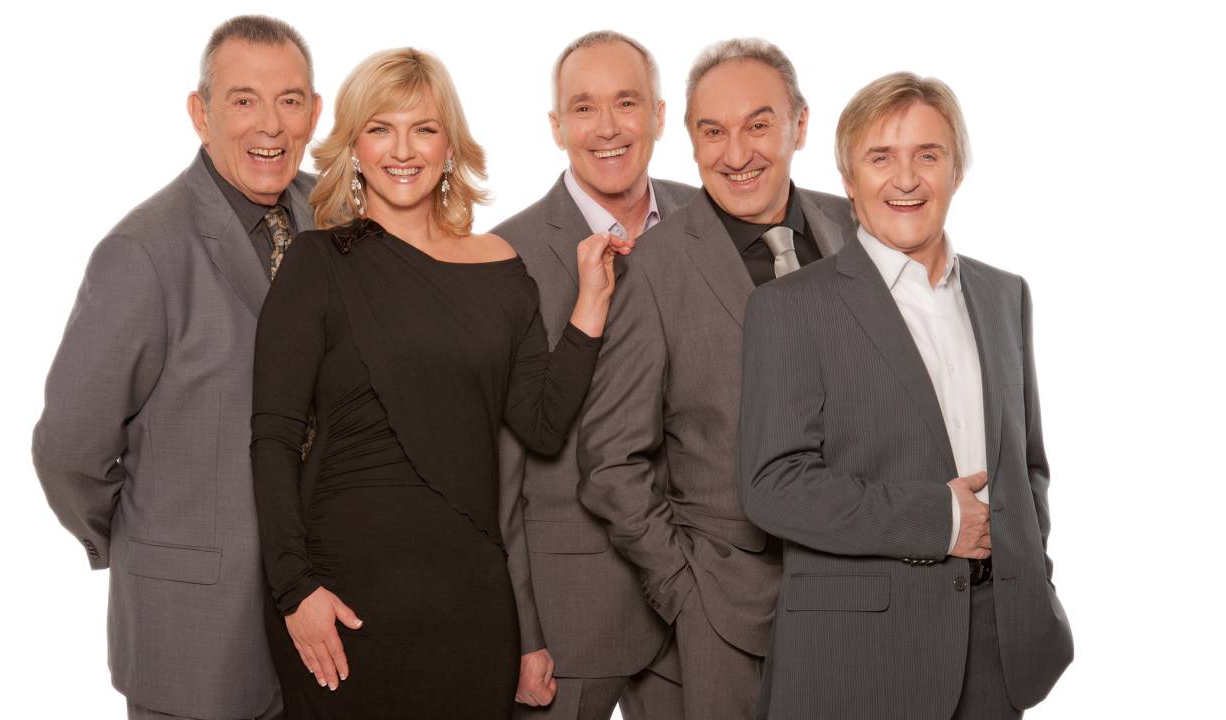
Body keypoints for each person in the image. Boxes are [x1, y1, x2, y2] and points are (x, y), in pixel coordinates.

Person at [250, 48, 630, 719]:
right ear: (354, 147)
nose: (403, 150)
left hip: (470, 601)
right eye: (381, 128)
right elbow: (273, 436)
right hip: (343, 600)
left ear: (449, 145)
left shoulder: (501, 265)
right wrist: (293, 590)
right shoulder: (317, 262)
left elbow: (542, 425)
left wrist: (591, 303)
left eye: (423, 129)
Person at [738, 72, 1073, 719]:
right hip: (864, 658)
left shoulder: (1005, 295)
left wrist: (1034, 581)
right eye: (881, 157)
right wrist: (939, 519)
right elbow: (772, 486)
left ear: (956, 169)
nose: (907, 179)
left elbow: (1028, 465)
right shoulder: (790, 307)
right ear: (848, 178)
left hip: (999, 649)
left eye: (928, 154)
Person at [31, 15, 321, 720]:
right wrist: (138, 535)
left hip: (321, 630)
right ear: (201, 113)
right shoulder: (145, 252)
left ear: (314, 113)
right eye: (244, 100)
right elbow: (68, 447)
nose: (271, 125)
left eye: (289, 100)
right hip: (195, 635)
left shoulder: (333, 214)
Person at [576, 38, 856, 719]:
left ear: (800, 125)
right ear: (690, 139)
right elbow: (611, 460)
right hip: (728, 614)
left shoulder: (856, 230)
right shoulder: (655, 266)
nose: (736, 154)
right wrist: (684, 589)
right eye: (712, 131)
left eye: (758, 125)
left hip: (865, 594)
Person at [492, 30, 695, 720]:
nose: (607, 128)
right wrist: (521, 631)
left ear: (659, 116)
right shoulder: (505, 255)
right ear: (556, 127)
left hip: (699, 604)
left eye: (626, 103)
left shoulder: (709, 223)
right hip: (567, 615)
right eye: (584, 108)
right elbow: (499, 474)